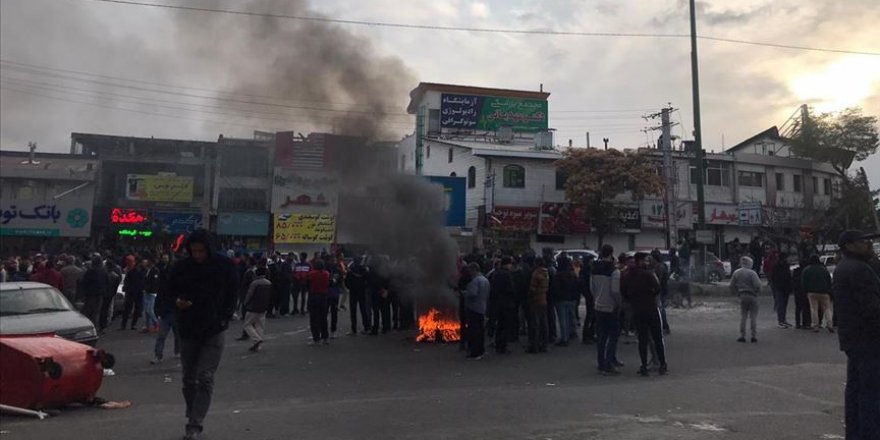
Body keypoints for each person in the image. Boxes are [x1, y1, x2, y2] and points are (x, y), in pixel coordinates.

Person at [166, 229, 239, 440]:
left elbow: (233, 294)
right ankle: (193, 413)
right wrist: (177, 303)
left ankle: (195, 424)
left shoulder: (224, 266)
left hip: (214, 329)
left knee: (205, 377)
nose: (197, 255)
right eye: (194, 251)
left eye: (201, 251)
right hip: (188, 328)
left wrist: (224, 317)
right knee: (189, 379)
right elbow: (169, 291)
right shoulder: (181, 267)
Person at [831, 230, 880, 440]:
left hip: (854, 339)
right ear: (849, 246)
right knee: (871, 394)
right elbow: (872, 309)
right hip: (869, 339)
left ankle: (856, 433)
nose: (869, 244)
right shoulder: (859, 270)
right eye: (864, 241)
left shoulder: (847, 267)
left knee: (856, 391)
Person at [621, 252, 668, 376]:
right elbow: (657, 288)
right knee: (657, 337)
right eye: (645, 260)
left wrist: (633, 300)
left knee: (642, 339)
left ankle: (644, 366)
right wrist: (649, 296)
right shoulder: (647, 275)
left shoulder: (627, 276)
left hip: (637, 310)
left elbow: (623, 292)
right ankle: (662, 364)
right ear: (640, 261)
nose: (647, 262)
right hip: (651, 308)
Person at [593, 245, 622, 375]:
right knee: (613, 336)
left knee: (601, 337)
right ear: (611, 254)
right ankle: (609, 363)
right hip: (611, 306)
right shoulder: (614, 271)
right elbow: (615, 291)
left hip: (598, 305)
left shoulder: (594, 269)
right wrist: (618, 303)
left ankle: (601, 363)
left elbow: (591, 288)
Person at [152, 257, 180, 364]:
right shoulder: (175, 283)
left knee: (163, 336)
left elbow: (159, 297)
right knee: (173, 335)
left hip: (168, 312)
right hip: (172, 312)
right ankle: (175, 352)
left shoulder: (166, 283)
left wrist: (158, 310)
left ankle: (159, 355)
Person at [489, 257, 517, 354]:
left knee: (500, 326)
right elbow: (511, 289)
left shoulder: (496, 273)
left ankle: (498, 345)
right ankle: (503, 347)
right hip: (506, 304)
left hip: (497, 303)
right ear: (508, 264)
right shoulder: (506, 274)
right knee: (505, 325)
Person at [730, 256, 761, 343]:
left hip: (742, 295)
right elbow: (758, 285)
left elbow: (731, 285)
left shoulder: (736, 272)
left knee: (743, 316)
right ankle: (753, 336)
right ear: (750, 264)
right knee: (753, 316)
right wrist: (757, 292)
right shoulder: (752, 273)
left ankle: (742, 335)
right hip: (752, 296)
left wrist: (737, 293)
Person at [242, 267, 273, 353]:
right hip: (263, 306)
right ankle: (257, 343)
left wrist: (245, 303)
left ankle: (256, 339)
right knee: (260, 325)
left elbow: (250, 294)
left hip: (253, 306)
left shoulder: (254, 283)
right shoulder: (268, 283)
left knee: (247, 324)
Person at [463, 263, 490, 360]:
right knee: (480, 331)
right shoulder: (485, 280)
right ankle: (481, 351)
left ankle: (475, 352)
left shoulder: (475, 281)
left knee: (474, 332)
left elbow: (472, 294)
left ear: (473, 270)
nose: (469, 274)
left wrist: (465, 293)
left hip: (473, 309)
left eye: (470, 271)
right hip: (482, 308)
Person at [802, 254, 834, 333]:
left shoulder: (806, 270)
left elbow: (803, 282)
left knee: (813, 309)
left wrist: (806, 291)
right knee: (827, 308)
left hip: (811, 292)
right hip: (824, 292)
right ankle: (830, 324)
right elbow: (829, 281)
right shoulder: (823, 269)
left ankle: (815, 326)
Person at [551, 257, 578, 347]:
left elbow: (555, 288)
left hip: (561, 299)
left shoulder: (558, 275)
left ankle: (564, 338)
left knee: (563, 319)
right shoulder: (572, 274)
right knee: (571, 317)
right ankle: (572, 332)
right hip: (571, 298)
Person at [526, 259, 550, 354]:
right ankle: (544, 344)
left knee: (535, 324)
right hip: (543, 299)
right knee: (544, 323)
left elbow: (532, 289)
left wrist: (529, 298)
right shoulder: (546, 273)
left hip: (536, 300)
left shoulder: (536, 274)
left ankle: (534, 346)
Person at [345, 256, 371, 335]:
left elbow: (347, 282)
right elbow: (368, 281)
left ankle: (354, 330)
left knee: (353, 311)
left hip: (353, 292)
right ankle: (366, 327)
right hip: (362, 292)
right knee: (363, 310)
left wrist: (350, 287)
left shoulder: (350, 270)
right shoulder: (364, 270)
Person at [307, 260, 331, 345]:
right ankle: (325, 337)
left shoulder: (312, 274)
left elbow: (308, 283)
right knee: (323, 318)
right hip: (324, 296)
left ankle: (316, 339)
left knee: (314, 319)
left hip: (314, 295)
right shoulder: (326, 274)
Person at [79, 256, 108, 327]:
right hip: (100, 294)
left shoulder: (90, 271)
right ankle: (95, 326)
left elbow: (84, 282)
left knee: (88, 311)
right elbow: (108, 282)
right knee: (96, 312)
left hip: (91, 294)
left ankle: (89, 326)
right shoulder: (104, 271)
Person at [120, 256, 146, 331]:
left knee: (127, 309)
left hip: (132, 292)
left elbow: (126, 281)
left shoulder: (131, 272)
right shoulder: (141, 272)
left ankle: (124, 325)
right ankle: (132, 325)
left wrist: (126, 288)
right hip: (137, 292)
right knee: (135, 309)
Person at [770, 252, 793, 329]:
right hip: (779, 287)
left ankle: (783, 320)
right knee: (781, 305)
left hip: (785, 288)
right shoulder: (776, 266)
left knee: (784, 305)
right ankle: (780, 321)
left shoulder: (785, 265)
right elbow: (773, 277)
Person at [100, 260, 122, 332]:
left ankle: (103, 324)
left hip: (105, 293)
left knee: (104, 309)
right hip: (111, 293)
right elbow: (117, 282)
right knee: (108, 308)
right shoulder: (115, 275)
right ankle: (106, 322)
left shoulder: (105, 274)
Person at [142, 259, 161, 333]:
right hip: (147, 292)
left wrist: (147, 288)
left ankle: (156, 323)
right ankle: (147, 326)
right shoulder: (148, 270)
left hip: (152, 292)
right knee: (146, 310)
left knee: (149, 310)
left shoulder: (155, 270)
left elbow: (155, 282)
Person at [792, 263, 811, 329]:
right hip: (804, 291)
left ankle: (797, 323)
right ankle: (805, 323)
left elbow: (793, 281)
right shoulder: (806, 272)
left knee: (798, 308)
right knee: (805, 308)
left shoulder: (796, 271)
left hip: (797, 291)